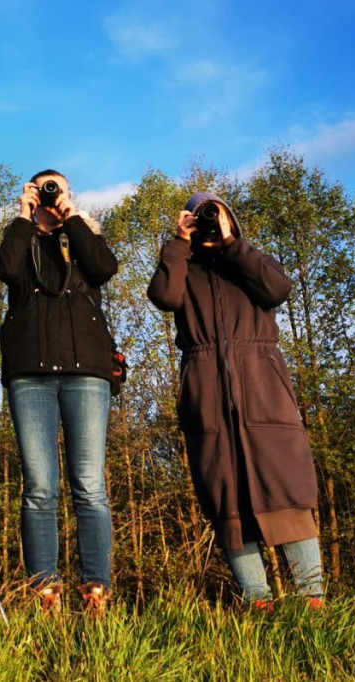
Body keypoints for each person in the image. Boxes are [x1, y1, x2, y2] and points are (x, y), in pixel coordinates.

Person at [147, 192, 324, 608]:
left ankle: (313, 602)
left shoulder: (250, 262)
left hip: (263, 386)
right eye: (201, 216)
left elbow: (277, 288)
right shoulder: (182, 268)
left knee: (287, 486)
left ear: (231, 220)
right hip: (205, 390)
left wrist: (231, 243)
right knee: (225, 494)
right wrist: (178, 243)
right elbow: (164, 298)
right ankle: (257, 602)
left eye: (216, 213)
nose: (208, 221)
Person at [0, 169, 118, 616]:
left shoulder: (84, 240)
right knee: (39, 488)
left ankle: (94, 591)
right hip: (29, 374)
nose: (48, 194)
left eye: (55, 187)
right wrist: (24, 216)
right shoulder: (21, 240)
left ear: (68, 193)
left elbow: (105, 267)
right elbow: (2, 270)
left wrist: (72, 216)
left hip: (86, 372)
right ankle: (44, 592)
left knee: (89, 486)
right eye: (42, 188)